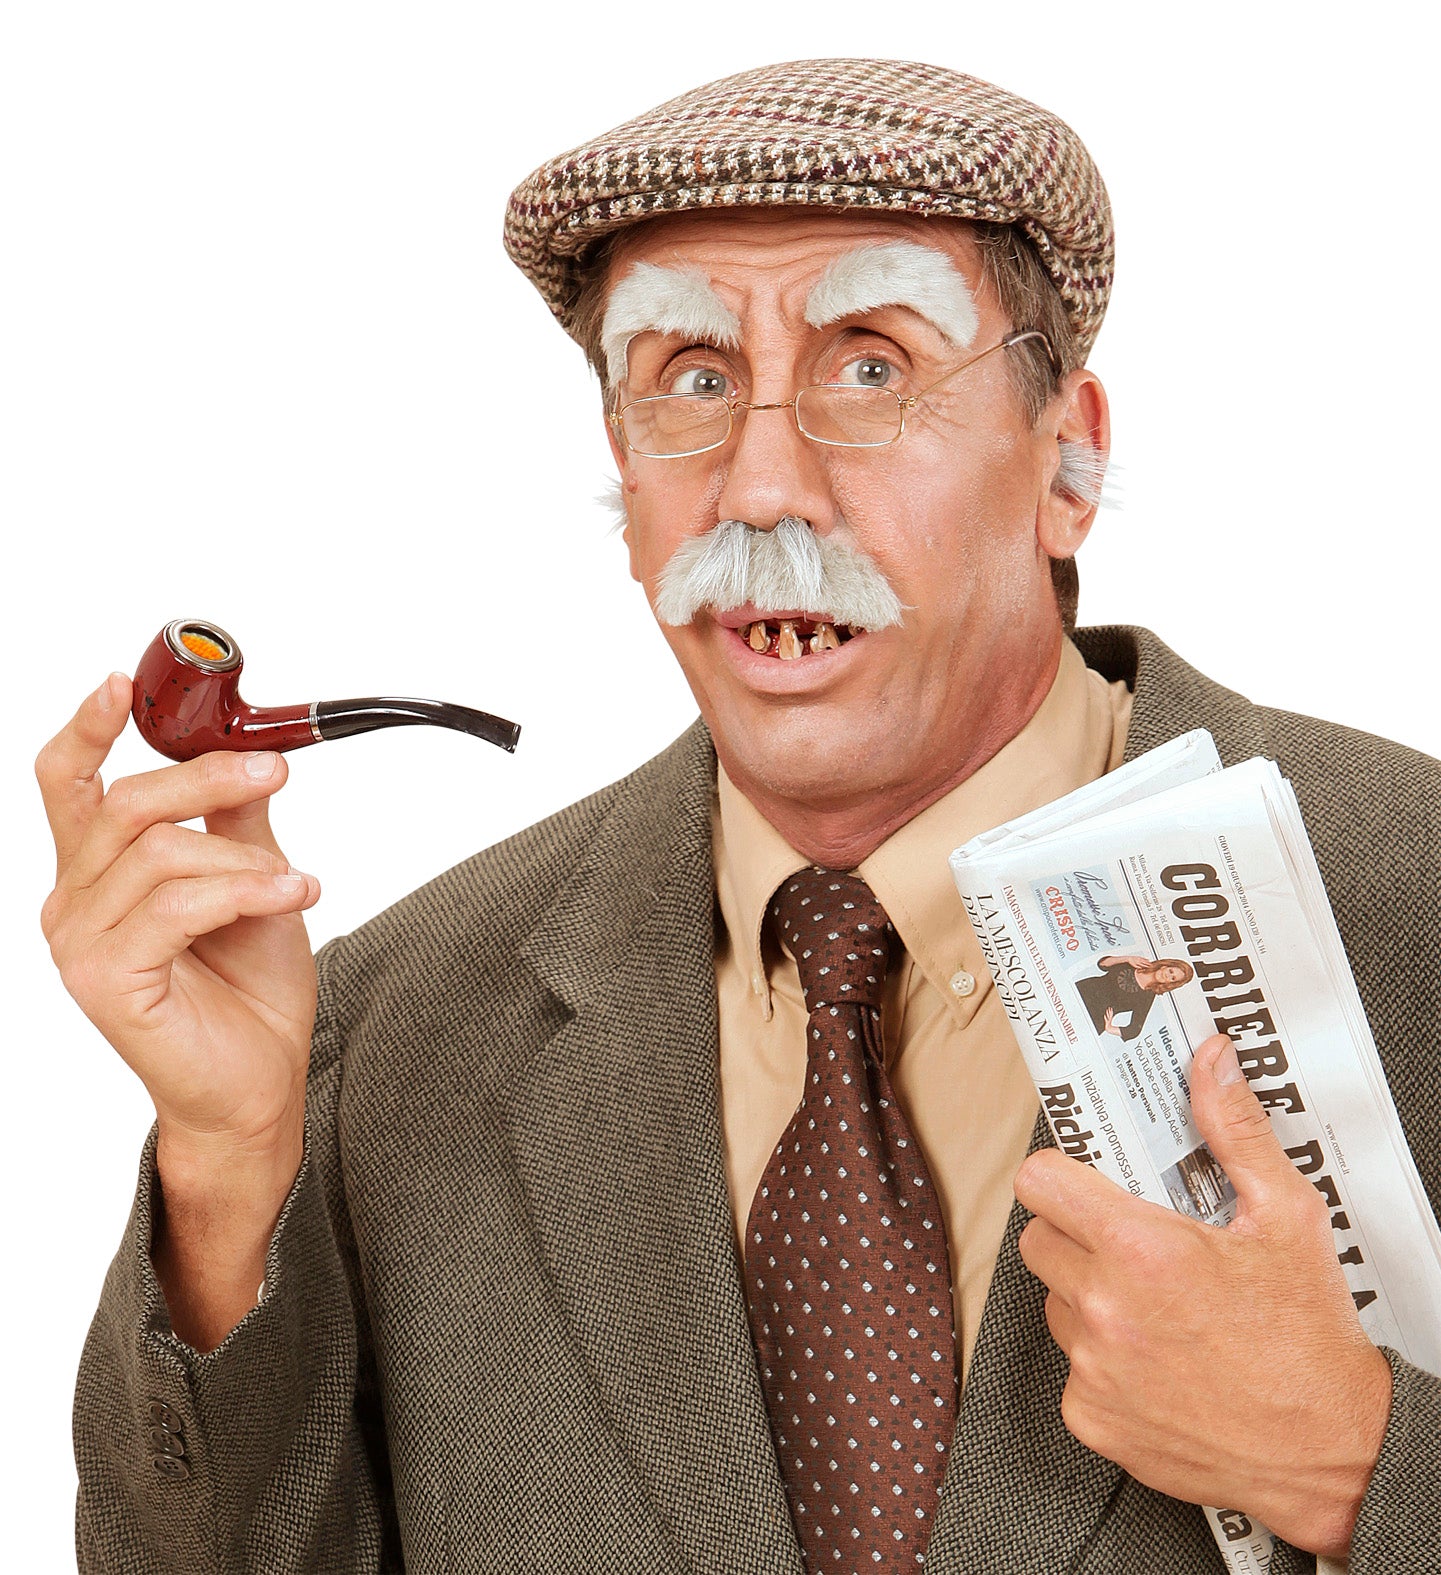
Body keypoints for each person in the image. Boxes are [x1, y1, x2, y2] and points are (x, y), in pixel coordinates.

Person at [40, 59, 1439, 1575]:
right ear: (627, 470)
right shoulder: (382, 1030)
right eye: (693, 382)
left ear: (1066, 456)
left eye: (871, 365)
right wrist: (233, 1165)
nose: (762, 486)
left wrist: (1362, 1459)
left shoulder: (1413, 888)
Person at [1076, 953, 1195, 1041]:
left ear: (1170, 984)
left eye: (1172, 978)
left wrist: (1110, 1028)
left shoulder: (1148, 996)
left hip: (1095, 1017)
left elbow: (1134, 1030)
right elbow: (1102, 964)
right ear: (1165, 966)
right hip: (1083, 991)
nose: (1167, 976)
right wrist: (1127, 958)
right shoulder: (1136, 963)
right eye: (1171, 971)